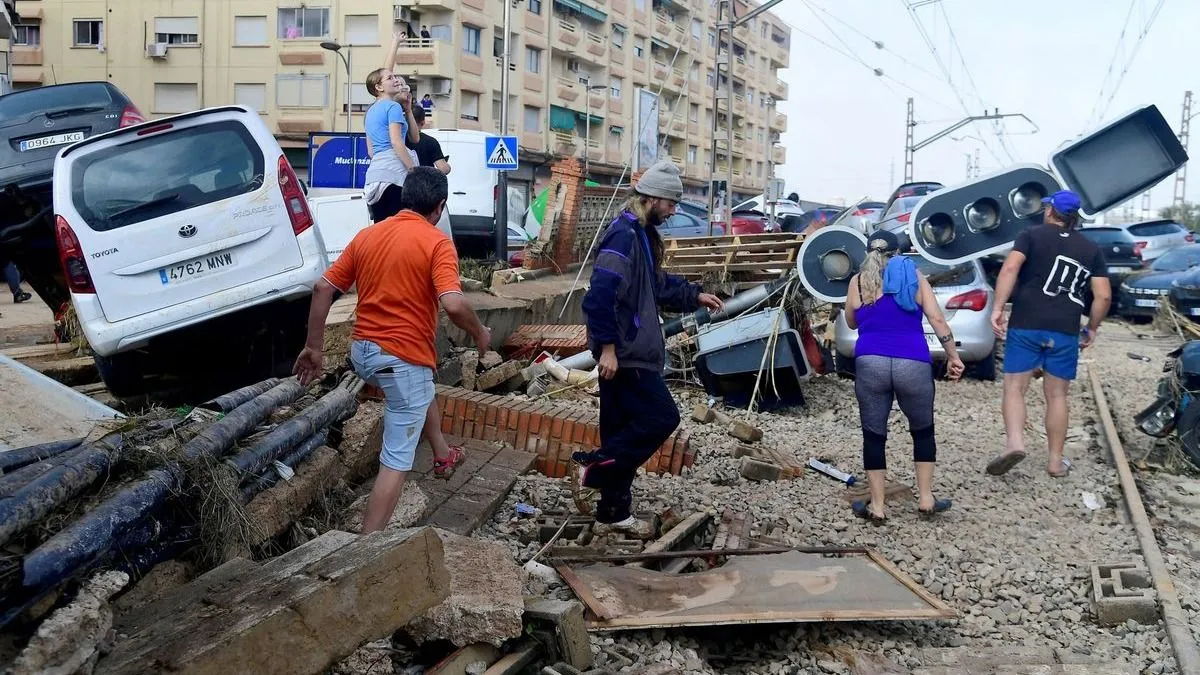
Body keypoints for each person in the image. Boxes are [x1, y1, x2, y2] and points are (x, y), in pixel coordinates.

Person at [293, 167, 489, 533]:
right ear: (440, 206)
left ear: (404, 197)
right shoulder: (437, 243)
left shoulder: (369, 235)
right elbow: (455, 305)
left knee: (422, 382)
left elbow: (322, 289)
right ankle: (366, 547)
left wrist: (313, 347)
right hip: (400, 360)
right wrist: (479, 333)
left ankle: (443, 455)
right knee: (397, 458)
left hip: (363, 353)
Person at [574, 161, 724, 537]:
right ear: (653, 198)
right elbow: (599, 296)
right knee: (662, 418)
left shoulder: (639, 233)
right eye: (671, 203)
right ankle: (596, 467)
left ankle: (613, 512)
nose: (674, 211)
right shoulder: (622, 236)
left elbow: (654, 284)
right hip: (626, 354)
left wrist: (694, 295)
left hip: (628, 350)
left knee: (619, 430)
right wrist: (607, 349)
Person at [987, 190, 1111, 478]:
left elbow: (1010, 269)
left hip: (1027, 322)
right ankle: (1055, 462)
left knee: (1015, 387)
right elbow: (1102, 297)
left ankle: (1015, 443)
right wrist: (1091, 327)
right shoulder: (1091, 249)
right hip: (1065, 329)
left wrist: (998, 308)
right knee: (1057, 396)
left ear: (1050, 211)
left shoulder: (1030, 235)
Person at [844, 229, 963, 522]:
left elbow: (850, 321)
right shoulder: (915, 278)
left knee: (874, 435)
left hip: (871, 362)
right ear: (898, 253)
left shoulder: (858, 282)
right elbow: (936, 319)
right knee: (922, 430)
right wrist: (953, 356)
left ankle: (878, 507)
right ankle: (925, 500)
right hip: (913, 361)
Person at [363, 31, 421, 223]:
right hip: (394, 177)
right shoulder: (393, 107)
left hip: (374, 178)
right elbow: (397, 142)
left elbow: (371, 151)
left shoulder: (370, 111)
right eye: (391, 79)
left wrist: (395, 42)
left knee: (381, 231)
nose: (396, 80)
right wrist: (414, 171)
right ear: (379, 87)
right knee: (399, 230)